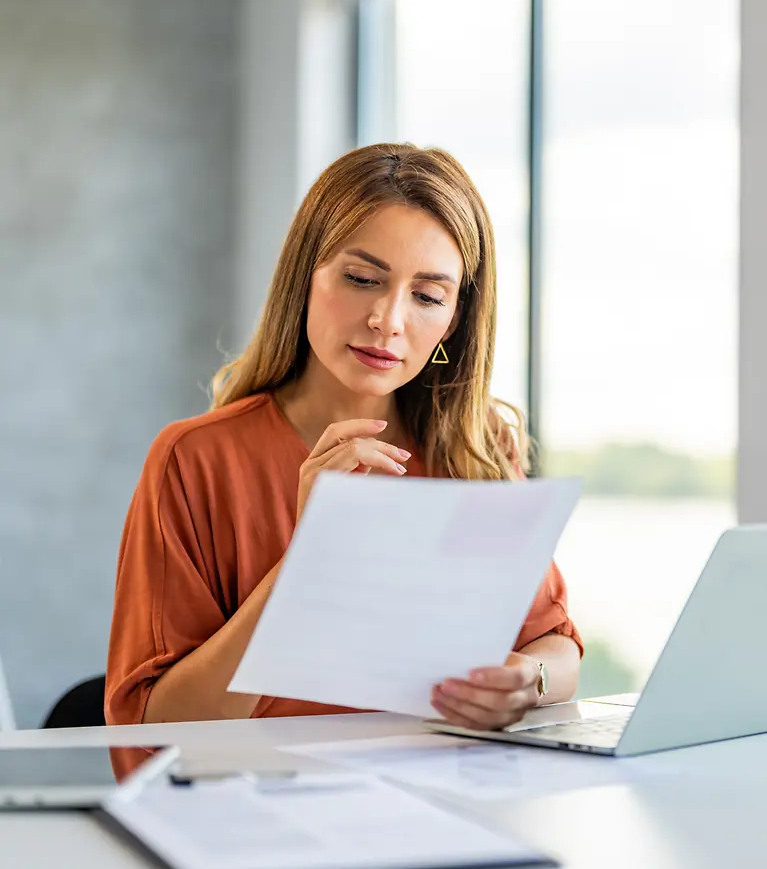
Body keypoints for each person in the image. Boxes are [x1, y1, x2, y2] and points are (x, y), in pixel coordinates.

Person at [105, 143, 583, 768]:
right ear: (306, 273)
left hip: (442, 801)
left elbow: (556, 645)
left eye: (428, 296)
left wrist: (529, 681)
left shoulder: (478, 445)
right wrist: (309, 561)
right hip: (256, 819)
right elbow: (153, 723)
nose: (388, 320)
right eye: (362, 279)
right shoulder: (194, 460)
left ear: (455, 321)